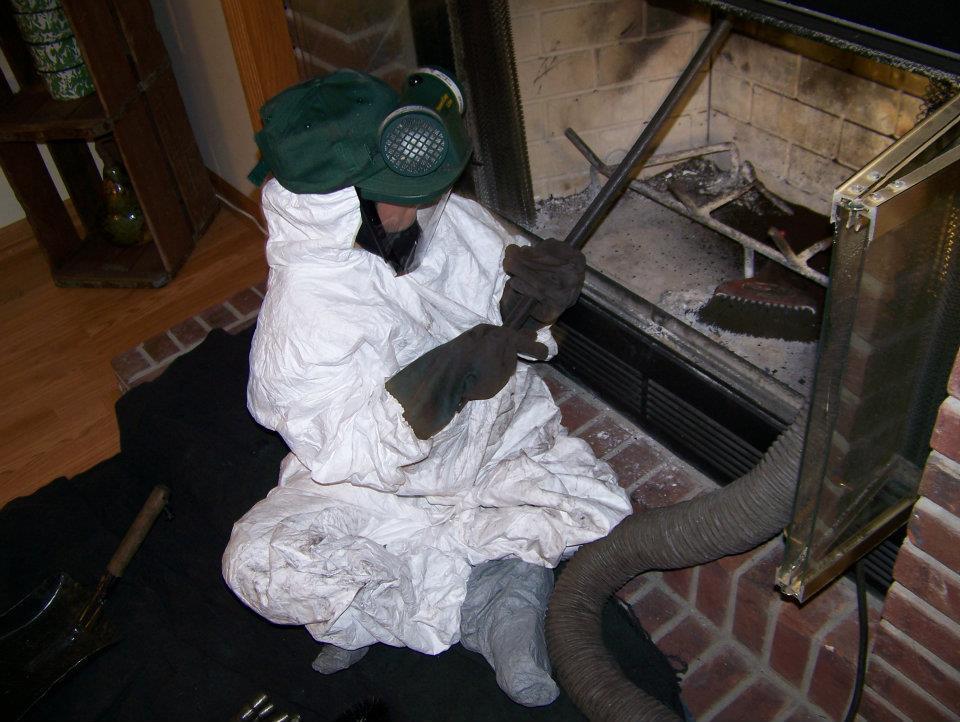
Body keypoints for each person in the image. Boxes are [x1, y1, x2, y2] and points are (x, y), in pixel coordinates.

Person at [222, 68, 631, 707]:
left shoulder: (438, 219)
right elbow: (345, 451)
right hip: (378, 487)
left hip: (495, 445)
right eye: (401, 196)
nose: (424, 208)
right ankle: (488, 604)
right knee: (259, 563)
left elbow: (521, 335)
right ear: (344, 201)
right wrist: (434, 389)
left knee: (587, 504)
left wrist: (536, 308)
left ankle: (409, 603)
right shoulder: (302, 317)